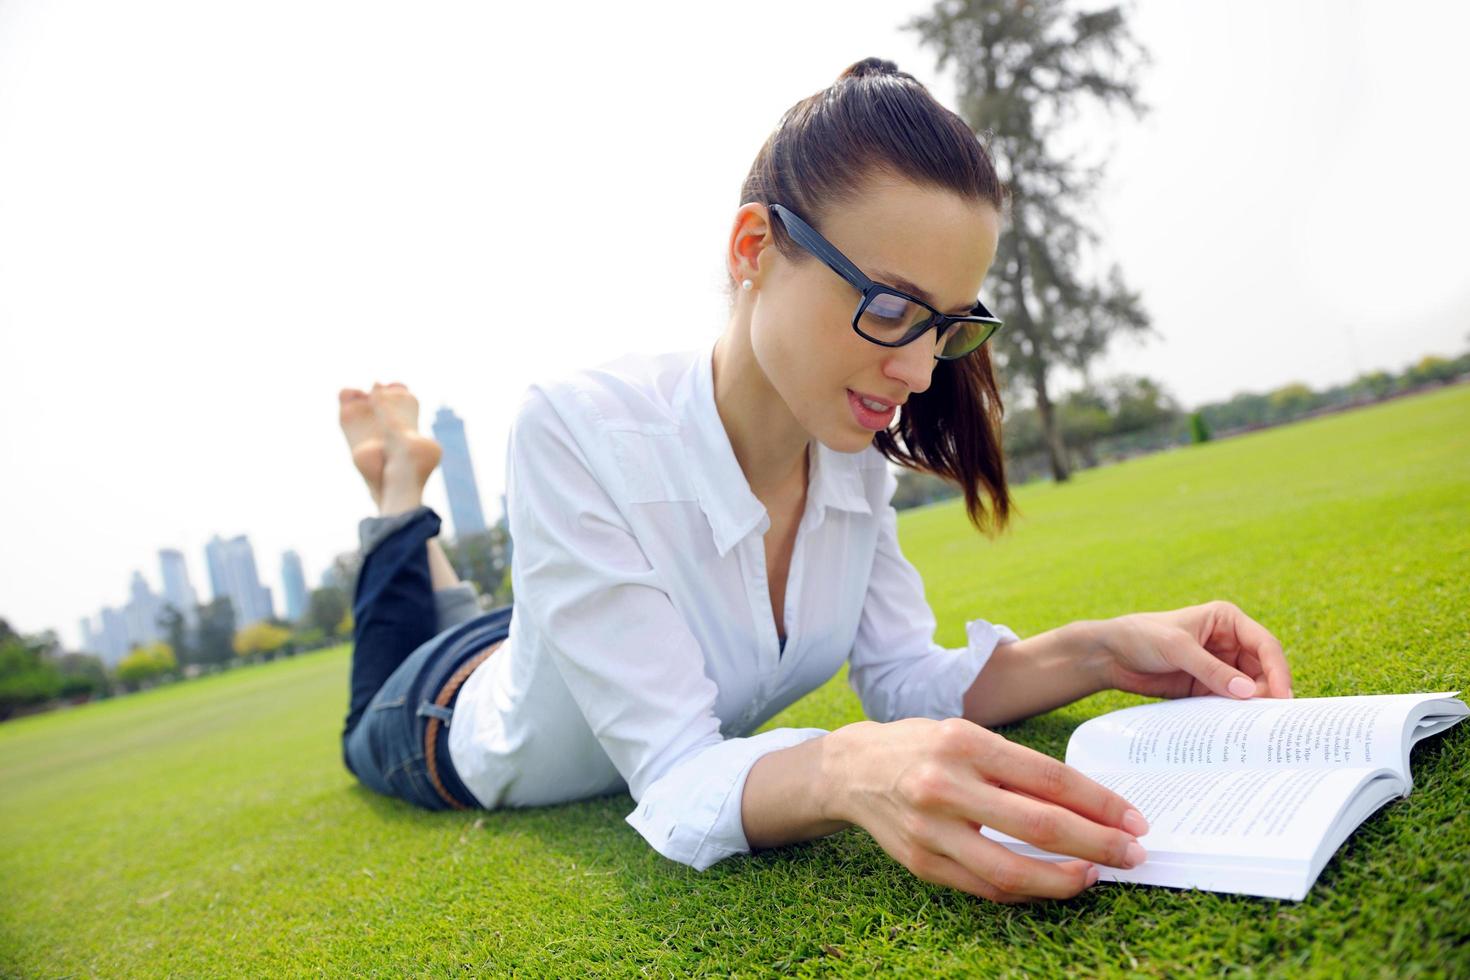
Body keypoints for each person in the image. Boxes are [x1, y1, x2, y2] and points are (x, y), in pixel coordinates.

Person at [337, 57, 1293, 905]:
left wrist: (1100, 652)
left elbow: (904, 680)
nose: (921, 373)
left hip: (555, 634)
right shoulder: (577, 428)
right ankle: (397, 494)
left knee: (507, 615)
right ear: (753, 250)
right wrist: (845, 771)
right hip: (439, 717)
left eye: (948, 326)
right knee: (389, 638)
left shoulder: (846, 443)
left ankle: (419, 525)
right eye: (888, 307)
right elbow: (675, 775)